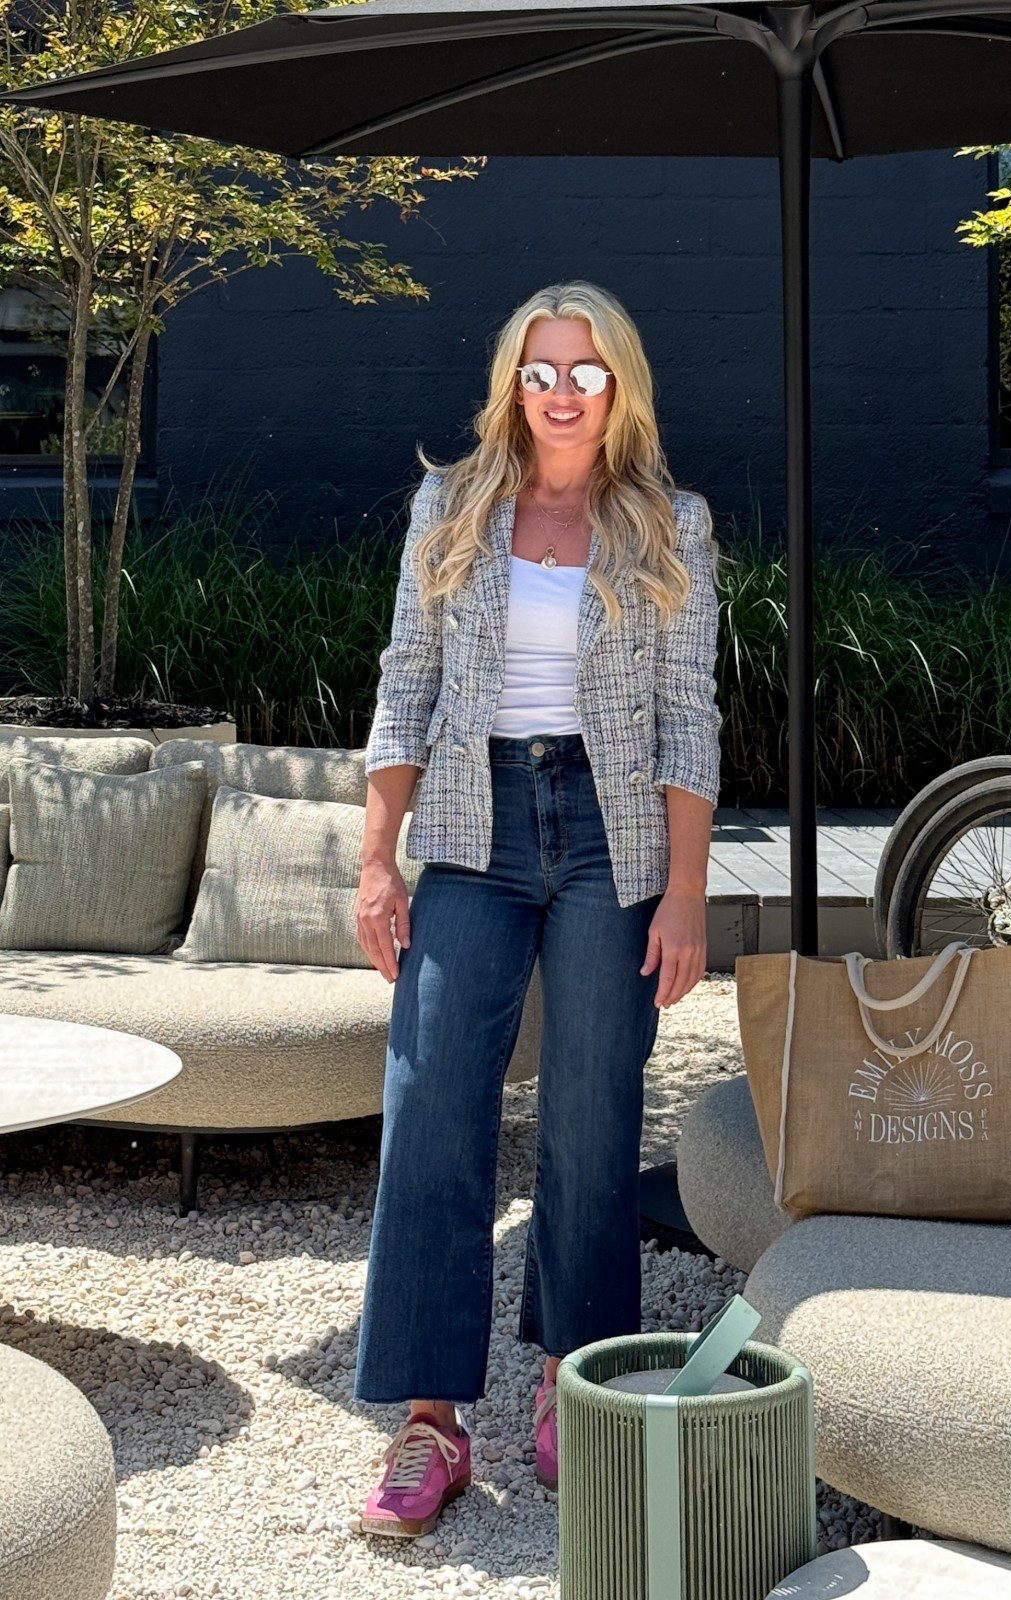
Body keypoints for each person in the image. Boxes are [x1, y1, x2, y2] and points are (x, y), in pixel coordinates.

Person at [352, 279, 721, 1539]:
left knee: (592, 1104)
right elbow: (406, 684)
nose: (559, 389)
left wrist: (683, 889)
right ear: (511, 379)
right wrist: (375, 856)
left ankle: (573, 1376)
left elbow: (689, 718)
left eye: (584, 369)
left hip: (607, 839)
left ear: (619, 386)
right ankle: (429, 1420)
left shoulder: (670, 522)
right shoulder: (449, 508)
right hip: (473, 827)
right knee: (432, 1094)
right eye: (539, 367)